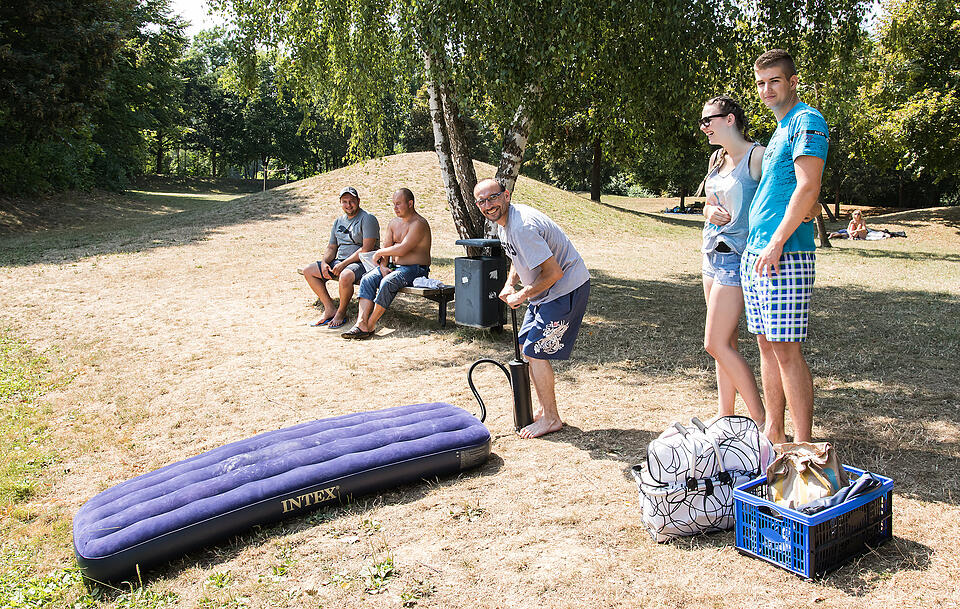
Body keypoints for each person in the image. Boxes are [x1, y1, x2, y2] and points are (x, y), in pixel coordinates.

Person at [741, 49, 829, 444]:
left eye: (774, 81)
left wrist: (777, 241)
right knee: (765, 344)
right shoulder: (778, 130)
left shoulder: (807, 120)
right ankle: (773, 431)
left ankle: (802, 443)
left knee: (786, 350)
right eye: (761, 83)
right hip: (758, 253)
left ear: (792, 82)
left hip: (786, 252)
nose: (766, 89)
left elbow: (809, 186)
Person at [474, 177, 591, 439]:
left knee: (536, 351)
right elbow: (520, 257)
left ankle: (551, 418)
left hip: (565, 289)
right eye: (481, 201)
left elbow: (553, 273)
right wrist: (509, 283)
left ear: (506, 195)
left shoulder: (522, 226)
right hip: (546, 293)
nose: (488, 205)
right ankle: (543, 408)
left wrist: (523, 295)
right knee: (525, 346)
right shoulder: (506, 224)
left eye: (492, 197)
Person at [699, 95, 766, 425]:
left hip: (736, 258)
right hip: (710, 255)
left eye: (708, 120)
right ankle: (726, 415)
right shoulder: (716, 158)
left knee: (714, 342)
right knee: (726, 341)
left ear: (730, 120)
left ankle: (764, 423)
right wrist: (710, 211)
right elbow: (707, 205)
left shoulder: (758, 157)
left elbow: (777, 202)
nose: (703, 127)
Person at [341, 188, 432, 339]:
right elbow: (388, 248)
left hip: (415, 269)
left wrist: (379, 253)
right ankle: (360, 323)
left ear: (410, 203)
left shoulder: (419, 223)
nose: (395, 208)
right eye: (393, 204)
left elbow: (403, 249)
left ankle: (370, 325)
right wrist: (382, 266)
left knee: (388, 282)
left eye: (398, 204)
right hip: (394, 268)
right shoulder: (393, 223)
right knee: (367, 279)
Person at [301, 186, 380, 329]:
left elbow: (366, 249)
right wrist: (325, 262)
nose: (348, 205)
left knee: (345, 276)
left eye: (352, 201)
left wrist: (344, 264)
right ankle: (329, 308)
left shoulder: (368, 218)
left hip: (362, 262)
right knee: (308, 270)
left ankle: (341, 313)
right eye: (345, 201)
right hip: (340, 261)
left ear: (358, 201)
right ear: (340, 202)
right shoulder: (338, 222)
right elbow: (332, 247)